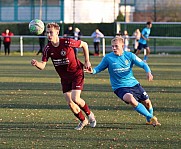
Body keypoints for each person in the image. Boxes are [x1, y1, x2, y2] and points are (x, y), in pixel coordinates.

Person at [31, 22, 96, 130]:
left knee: (76, 98)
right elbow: (42, 66)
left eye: (51, 32)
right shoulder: (47, 48)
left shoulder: (67, 42)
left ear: (57, 32)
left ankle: (90, 115)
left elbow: (84, 44)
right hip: (64, 78)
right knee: (70, 104)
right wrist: (36, 63)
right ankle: (83, 120)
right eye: (47, 33)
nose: (49, 35)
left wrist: (87, 61)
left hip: (77, 73)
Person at [85, 37, 161, 127]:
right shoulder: (108, 58)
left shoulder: (130, 55)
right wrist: (92, 71)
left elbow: (143, 64)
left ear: (122, 46)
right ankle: (151, 117)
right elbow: (98, 68)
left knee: (147, 103)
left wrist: (148, 72)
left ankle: (149, 120)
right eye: (112, 46)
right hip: (119, 87)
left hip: (134, 84)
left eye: (116, 46)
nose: (114, 48)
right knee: (130, 99)